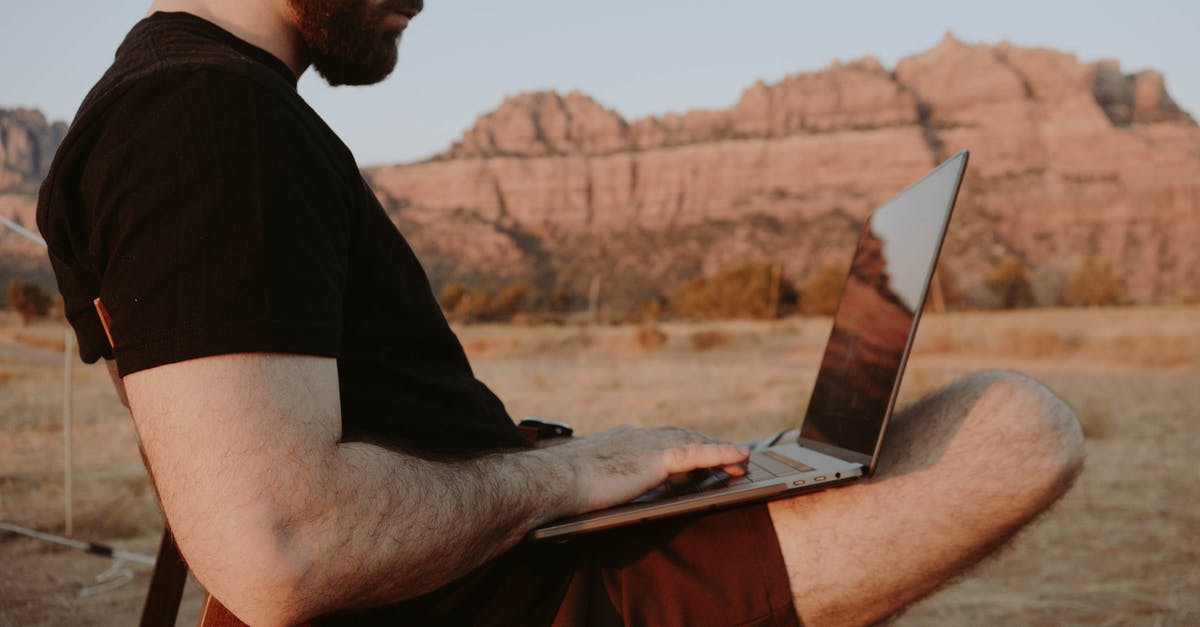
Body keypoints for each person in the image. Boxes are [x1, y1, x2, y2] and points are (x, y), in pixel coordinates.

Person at [36, 1, 1085, 625]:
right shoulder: (205, 117)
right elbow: (279, 546)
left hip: (495, 569)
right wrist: (570, 477)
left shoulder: (198, 101)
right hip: (514, 606)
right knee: (1010, 427)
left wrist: (587, 481)